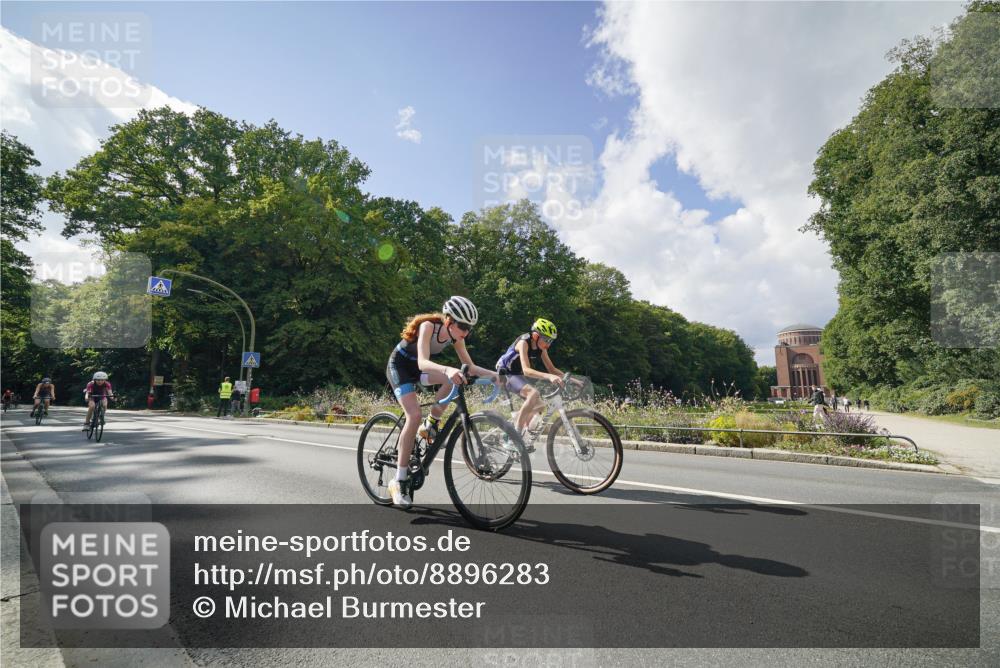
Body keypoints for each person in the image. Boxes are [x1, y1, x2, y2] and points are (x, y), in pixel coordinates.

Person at [385, 296, 496, 509]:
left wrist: (494, 375)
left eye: (469, 329)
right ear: (449, 321)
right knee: (413, 415)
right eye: (463, 326)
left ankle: (431, 424)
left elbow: (469, 366)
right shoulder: (429, 326)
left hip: (419, 371)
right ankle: (398, 480)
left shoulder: (457, 337)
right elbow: (422, 362)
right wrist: (447, 369)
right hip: (400, 367)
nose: (466, 332)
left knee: (454, 379)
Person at [495, 318, 565, 441]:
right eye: (547, 340)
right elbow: (527, 370)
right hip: (505, 373)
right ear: (535, 336)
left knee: (540, 406)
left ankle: (517, 428)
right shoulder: (524, 343)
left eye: (551, 341)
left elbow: (552, 369)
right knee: (534, 393)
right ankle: (515, 436)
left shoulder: (541, 348)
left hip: (517, 374)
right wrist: (549, 377)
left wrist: (572, 379)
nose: (548, 344)